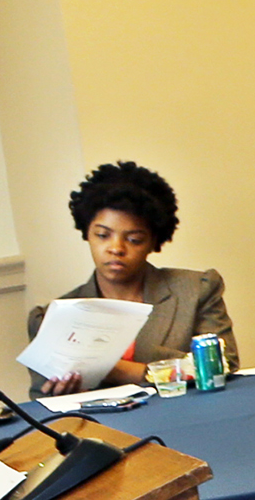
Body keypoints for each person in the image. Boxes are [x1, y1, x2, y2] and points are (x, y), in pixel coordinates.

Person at [29, 162, 234, 391]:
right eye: (103, 235)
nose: (116, 248)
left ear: (154, 242)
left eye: (134, 239)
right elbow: (41, 403)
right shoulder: (53, 318)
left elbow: (225, 367)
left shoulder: (196, 291)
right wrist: (64, 396)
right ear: (86, 233)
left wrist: (118, 370)